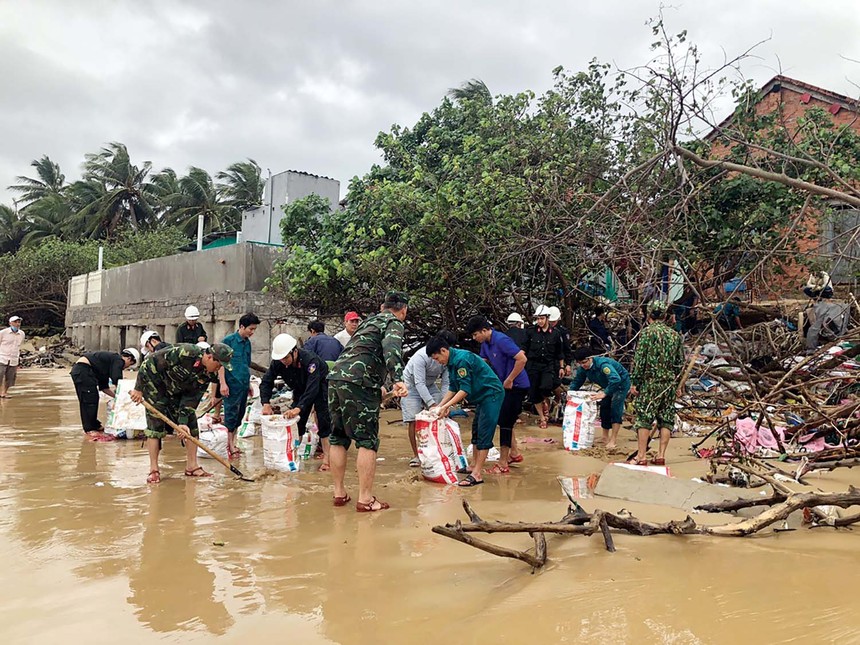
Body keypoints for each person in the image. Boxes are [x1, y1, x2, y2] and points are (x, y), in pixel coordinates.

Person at [327, 292, 408, 512]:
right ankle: (366, 499)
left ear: (382, 306)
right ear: (403, 310)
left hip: (336, 378)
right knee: (367, 440)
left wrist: (380, 384)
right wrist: (398, 379)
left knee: (338, 436)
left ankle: (339, 493)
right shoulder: (393, 322)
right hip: (359, 382)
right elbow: (391, 349)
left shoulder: (368, 323)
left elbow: (361, 352)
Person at [130, 343, 233, 484]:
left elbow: (192, 398)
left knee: (191, 424)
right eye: (219, 365)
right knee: (155, 427)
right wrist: (138, 388)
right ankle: (154, 469)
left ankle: (192, 466)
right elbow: (150, 361)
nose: (219, 369)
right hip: (156, 385)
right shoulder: (186, 352)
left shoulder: (209, 374)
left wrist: (183, 423)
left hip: (179, 392)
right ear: (210, 357)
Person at [428, 334, 505, 487]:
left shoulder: (462, 360)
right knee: (476, 429)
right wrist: (440, 405)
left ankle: (477, 474)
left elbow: (464, 390)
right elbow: (453, 387)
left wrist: (446, 406)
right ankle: (473, 465)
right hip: (481, 397)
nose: (438, 362)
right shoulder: (451, 362)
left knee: (484, 431)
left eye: (437, 358)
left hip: (491, 394)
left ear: (444, 351)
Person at [260, 333, 333, 471]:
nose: (284, 361)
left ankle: (327, 459)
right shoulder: (278, 362)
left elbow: (312, 389)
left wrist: (299, 408)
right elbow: (266, 381)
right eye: (281, 359)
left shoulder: (311, 361)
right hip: (299, 387)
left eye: (286, 358)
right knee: (297, 423)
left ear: (295, 351)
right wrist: (266, 403)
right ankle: (293, 456)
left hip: (320, 386)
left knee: (324, 422)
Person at [465, 316, 528, 473]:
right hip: (502, 385)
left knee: (506, 423)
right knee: (503, 419)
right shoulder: (485, 343)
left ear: (485, 330)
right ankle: (514, 453)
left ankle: (503, 463)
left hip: (516, 385)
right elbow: (483, 362)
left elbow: (522, 358)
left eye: (475, 335)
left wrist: (510, 379)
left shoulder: (501, 340)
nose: (475, 338)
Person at [628, 302, 685, 465]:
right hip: (668, 384)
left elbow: (640, 360)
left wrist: (635, 383)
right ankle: (661, 455)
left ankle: (641, 456)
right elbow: (679, 363)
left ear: (649, 315)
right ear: (665, 315)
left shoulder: (647, 333)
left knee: (644, 418)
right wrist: (678, 384)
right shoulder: (674, 335)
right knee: (666, 418)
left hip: (650, 383)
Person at [401, 330, 453, 467]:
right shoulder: (421, 356)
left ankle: (436, 452)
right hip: (411, 385)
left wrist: (443, 404)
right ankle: (416, 455)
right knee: (413, 419)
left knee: (440, 415)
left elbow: (446, 383)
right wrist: (431, 404)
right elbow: (419, 383)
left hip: (429, 384)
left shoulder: (448, 357)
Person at [70, 347, 140, 441]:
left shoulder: (105, 365)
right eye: (127, 366)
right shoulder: (118, 359)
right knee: (89, 400)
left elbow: (104, 388)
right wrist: (123, 394)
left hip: (82, 371)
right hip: (83, 370)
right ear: (129, 359)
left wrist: (116, 397)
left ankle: (94, 424)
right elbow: (117, 380)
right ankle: (90, 429)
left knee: (92, 397)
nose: (124, 368)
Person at [569, 347, 631, 450]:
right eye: (580, 363)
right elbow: (578, 381)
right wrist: (570, 392)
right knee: (604, 407)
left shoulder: (603, 365)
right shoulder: (583, 368)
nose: (583, 365)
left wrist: (605, 393)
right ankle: (605, 436)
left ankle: (613, 439)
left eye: (584, 362)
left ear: (590, 359)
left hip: (621, 384)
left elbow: (616, 379)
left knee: (615, 408)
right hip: (608, 385)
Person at [219, 313, 259, 459]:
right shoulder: (228, 342)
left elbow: (246, 364)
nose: (252, 332)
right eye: (251, 329)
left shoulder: (247, 343)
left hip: (242, 383)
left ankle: (233, 443)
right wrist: (223, 383)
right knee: (230, 415)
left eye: (254, 329)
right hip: (231, 384)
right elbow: (221, 364)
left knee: (240, 415)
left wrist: (248, 383)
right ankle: (229, 446)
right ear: (241, 326)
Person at [523, 305, 565, 428]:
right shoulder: (531, 331)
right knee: (533, 392)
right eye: (538, 319)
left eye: (542, 318)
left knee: (546, 386)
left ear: (547, 318)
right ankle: (542, 417)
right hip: (532, 365)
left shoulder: (556, 334)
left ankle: (546, 401)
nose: (540, 321)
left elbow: (559, 352)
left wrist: (562, 367)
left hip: (548, 365)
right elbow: (524, 348)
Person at [0, 315, 25, 398]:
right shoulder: (3, 333)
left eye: (19, 322)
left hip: (14, 358)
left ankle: (4, 393)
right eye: (15, 322)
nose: (17, 324)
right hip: (2, 357)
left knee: (10, 378)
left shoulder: (21, 334)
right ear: (10, 323)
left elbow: (20, 345)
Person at [548, 306, 573, 376]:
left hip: (558, 361)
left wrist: (568, 364)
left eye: (553, 321)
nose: (552, 323)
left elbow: (567, 348)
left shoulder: (562, 331)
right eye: (550, 321)